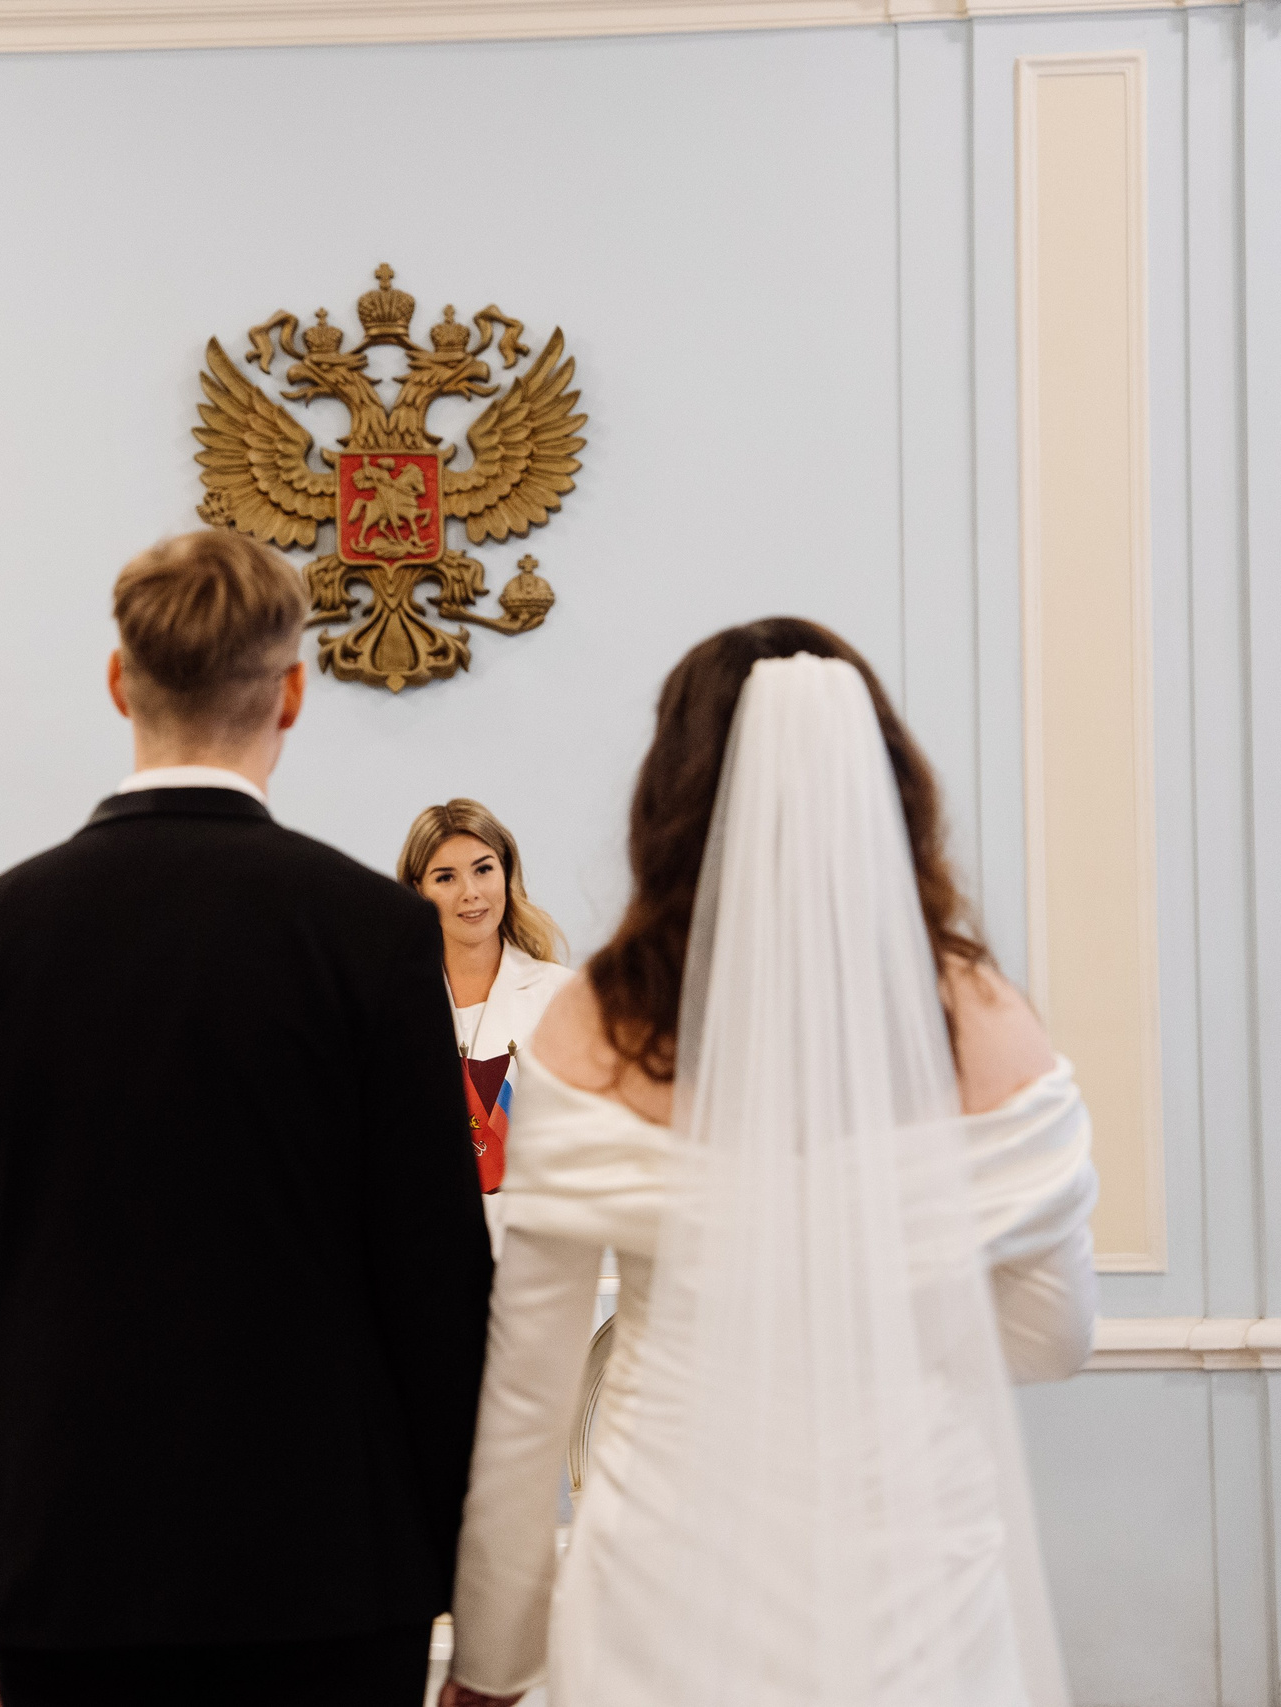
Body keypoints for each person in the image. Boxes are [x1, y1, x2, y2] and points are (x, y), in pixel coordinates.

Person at [0, 529, 493, 1707]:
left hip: (61, 1571)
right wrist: (469, 1579)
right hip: (332, 1575)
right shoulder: (372, 939)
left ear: (120, 682)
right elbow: (437, 1286)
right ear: (295, 693)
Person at [441, 619, 1100, 1707]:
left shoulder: (592, 1026)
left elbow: (530, 1389)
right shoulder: (984, 1021)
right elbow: (1050, 1335)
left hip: (667, 1559)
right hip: (912, 1565)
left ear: (669, 803)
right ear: (887, 789)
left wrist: (495, 1659)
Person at [396, 800, 572, 1246]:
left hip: (536, 1257)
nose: (470, 892)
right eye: (445, 877)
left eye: (483, 869)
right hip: (421, 1256)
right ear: (417, 889)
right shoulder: (388, 1005)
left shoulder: (561, 998)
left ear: (506, 874)